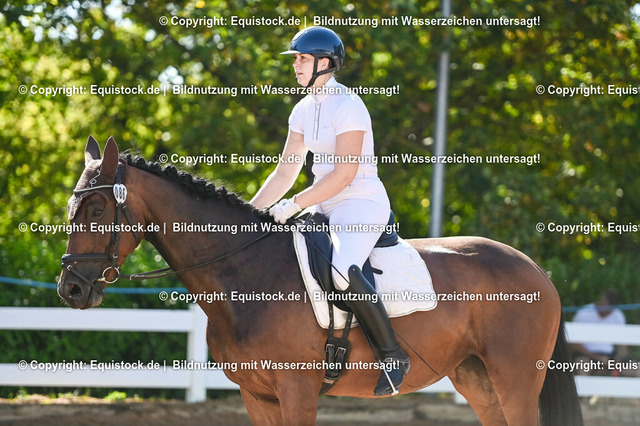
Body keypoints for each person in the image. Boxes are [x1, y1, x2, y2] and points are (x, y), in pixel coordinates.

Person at [250, 26, 410, 396]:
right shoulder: (302, 110)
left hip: (361, 202)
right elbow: (285, 171)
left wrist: (295, 204)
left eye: (303, 58)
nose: (296, 65)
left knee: (342, 271)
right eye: (295, 59)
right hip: (322, 203)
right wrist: (248, 214)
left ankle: (392, 356)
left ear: (325, 63)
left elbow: (344, 174)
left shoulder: (349, 106)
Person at [571, 290, 633, 376]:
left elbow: (623, 345)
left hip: (609, 356)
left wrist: (618, 360)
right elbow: (575, 344)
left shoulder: (618, 315)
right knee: (583, 365)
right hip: (585, 355)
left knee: (636, 368)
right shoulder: (584, 313)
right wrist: (596, 357)